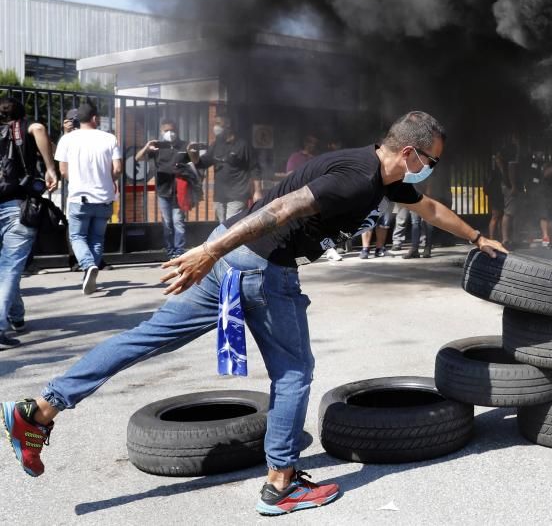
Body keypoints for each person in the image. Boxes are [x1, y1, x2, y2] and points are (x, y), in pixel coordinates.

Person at [1, 110, 506, 516]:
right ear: (411, 151)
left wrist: (478, 237)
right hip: (262, 269)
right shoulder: (355, 181)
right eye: (431, 161)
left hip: (234, 262)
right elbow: (278, 213)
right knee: (294, 375)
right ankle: (281, 483)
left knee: (148, 337)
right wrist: (209, 252)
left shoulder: (381, 176)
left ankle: (40, 409)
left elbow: (431, 209)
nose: (430, 169)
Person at [0, 98, 58, 347]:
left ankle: (16, 317)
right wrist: (50, 168)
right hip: (18, 207)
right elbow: (39, 129)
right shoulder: (25, 128)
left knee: (5, 268)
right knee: (10, 268)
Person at [54, 101, 122, 295]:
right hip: (104, 198)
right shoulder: (109, 138)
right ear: (94, 118)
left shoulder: (67, 139)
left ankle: (87, 265)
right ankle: (90, 273)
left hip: (79, 198)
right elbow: (117, 169)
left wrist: (77, 180)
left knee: (77, 236)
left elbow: (63, 170)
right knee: (97, 238)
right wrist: (108, 179)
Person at [135, 119, 197, 259]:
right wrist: (147, 146)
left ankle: (179, 251)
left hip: (179, 190)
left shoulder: (183, 145)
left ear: (177, 130)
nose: (170, 133)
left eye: (172, 130)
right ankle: (170, 250)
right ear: (162, 132)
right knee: (168, 222)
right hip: (163, 190)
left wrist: (192, 151)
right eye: (167, 130)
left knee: (178, 221)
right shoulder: (157, 146)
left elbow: (195, 161)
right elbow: (138, 158)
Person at [191, 114, 263, 222]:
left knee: (231, 226)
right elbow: (203, 163)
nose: (215, 127)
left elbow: (254, 168)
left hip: (237, 195)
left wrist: (257, 191)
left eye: (218, 124)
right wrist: (192, 154)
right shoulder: (216, 144)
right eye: (214, 124)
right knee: (222, 227)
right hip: (220, 196)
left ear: (228, 125)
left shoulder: (242, 145)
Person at [484, 149, 506, 240]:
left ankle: (501, 237)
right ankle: (492, 238)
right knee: (495, 216)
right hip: (496, 195)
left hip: (500, 195)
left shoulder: (502, 169)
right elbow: (489, 185)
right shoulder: (494, 171)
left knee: (501, 216)